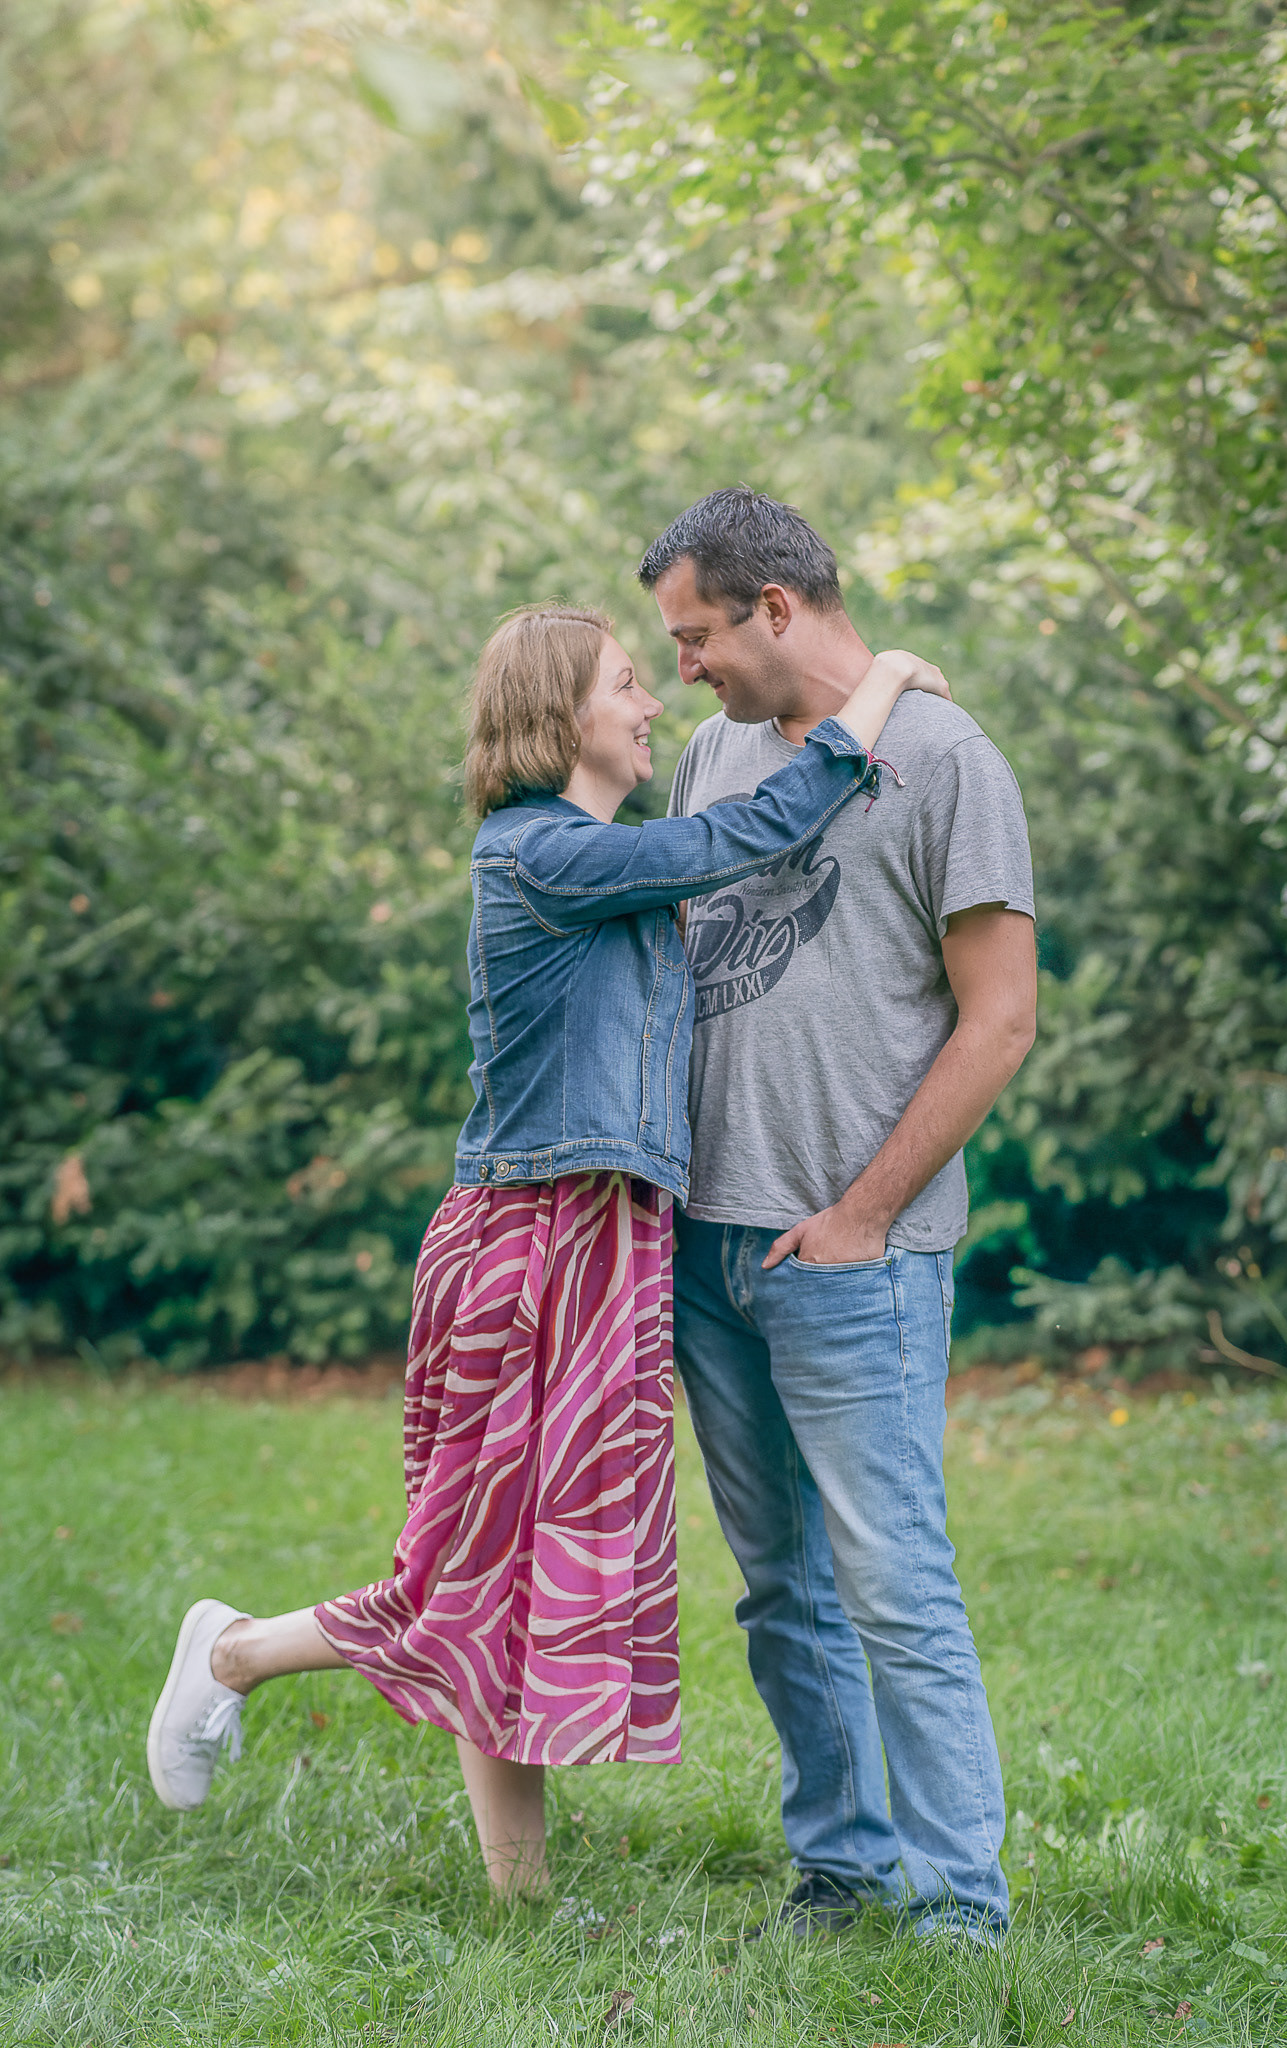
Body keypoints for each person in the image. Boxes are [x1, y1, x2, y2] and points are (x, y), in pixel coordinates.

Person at [145, 599, 950, 1899]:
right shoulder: (541, 855)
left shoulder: (596, 858)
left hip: (605, 1245)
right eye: (628, 682)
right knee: (470, 1565)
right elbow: (744, 832)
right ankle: (235, 1652)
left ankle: (518, 1902)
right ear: (560, 713)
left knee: (512, 1573)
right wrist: (886, 678)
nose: (653, 703)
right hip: (530, 1246)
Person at [641, 487, 1037, 1943]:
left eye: (695, 636)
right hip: (710, 1247)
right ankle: (844, 1868)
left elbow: (1000, 1021)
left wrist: (864, 1213)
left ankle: (958, 1907)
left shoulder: (947, 760)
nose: (685, 666)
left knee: (892, 1583)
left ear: (776, 607)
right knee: (781, 1590)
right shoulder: (712, 753)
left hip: (856, 1255)